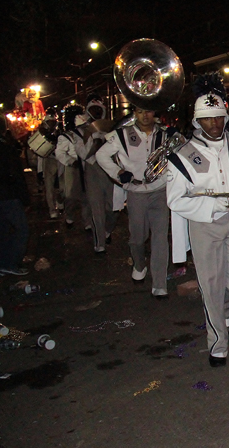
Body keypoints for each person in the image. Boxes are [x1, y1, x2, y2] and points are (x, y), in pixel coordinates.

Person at [166, 74, 229, 367]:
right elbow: (175, 199)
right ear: (197, 121)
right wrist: (211, 205)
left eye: (219, 117)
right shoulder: (181, 155)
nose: (215, 123)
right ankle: (217, 343)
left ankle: (225, 313)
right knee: (211, 286)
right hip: (204, 225)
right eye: (208, 118)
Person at [96, 106, 170, 298]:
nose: (145, 115)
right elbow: (101, 155)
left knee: (160, 237)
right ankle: (139, 264)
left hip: (160, 191)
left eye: (149, 110)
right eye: (140, 111)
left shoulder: (166, 135)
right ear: (134, 113)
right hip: (136, 192)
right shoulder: (122, 135)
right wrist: (118, 172)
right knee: (137, 237)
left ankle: (159, 284)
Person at [78, 96, 121, 255]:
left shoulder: (112, 127)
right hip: (92, 170)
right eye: (93, 109)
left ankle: (107, 230)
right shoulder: (82, 131)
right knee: (96, 209)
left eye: (98, 110)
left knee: (113, 208)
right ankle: (100, 244)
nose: (96, 112)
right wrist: (94, 141)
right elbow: (83, 154)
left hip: (110, 170)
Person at [0, 115, 30, 276]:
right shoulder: (6, 148)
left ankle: (2, 264)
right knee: (21, 229)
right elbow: (16, 175)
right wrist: (25, 197)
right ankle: (12, 262)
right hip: (8, 195)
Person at [54, 105, 93, 233]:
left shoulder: (87, 133)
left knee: (86, 196)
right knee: (70, 196)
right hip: (73, 168)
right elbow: (60, 153)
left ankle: (87, 222)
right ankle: (69, 217)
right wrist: (71, 161)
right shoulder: (66, 137)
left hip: (86, 167)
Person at [35, 112, 64, 219]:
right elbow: (39, 153)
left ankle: (60, 203)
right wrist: (40, 171)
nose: (51, 124)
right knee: (49, 187)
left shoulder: (60, 132)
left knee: (61, 186)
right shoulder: (41, 134)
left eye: (53, 122)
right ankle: (52, 209)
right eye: (49, 122)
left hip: (60, 160)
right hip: (48, 160)